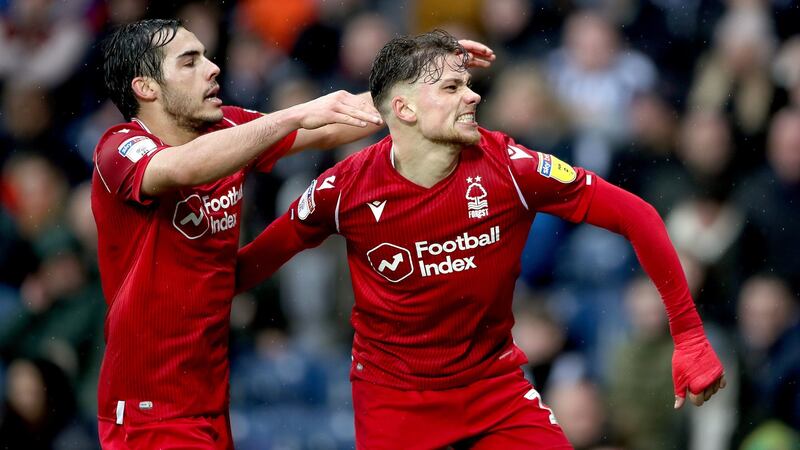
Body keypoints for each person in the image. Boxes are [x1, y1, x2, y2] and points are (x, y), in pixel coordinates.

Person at [237, 30, 726, 449]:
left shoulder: (511, 169)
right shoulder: (343, 190)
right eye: (451, 86)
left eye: (468, 84)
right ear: (403, 109)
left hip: (493, 386)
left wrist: (689, 334)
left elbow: (636, 214)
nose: (472, 96)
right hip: (393, 400)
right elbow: (250, 267)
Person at [90, 18, 387, 449]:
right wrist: (294, 113)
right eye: (190, 62)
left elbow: (332, 126)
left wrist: (418, 91)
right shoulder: (117, 148)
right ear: (146, 88)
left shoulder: (226, 129)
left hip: (209, 402)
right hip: (147, 412)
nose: (212, 68)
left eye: (207, 56)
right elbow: (184, 167)